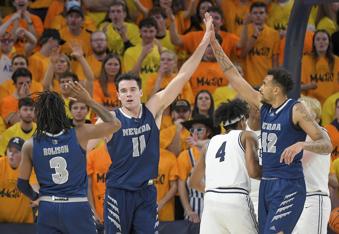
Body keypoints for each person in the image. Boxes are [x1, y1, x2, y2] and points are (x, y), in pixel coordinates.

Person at [210, 26, 333, 233]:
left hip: (288, 186)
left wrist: (302, 143)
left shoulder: (296, 109)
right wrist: (214, 44)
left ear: (276, 90)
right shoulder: (264, 107)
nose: (260, 87)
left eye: (265, 84)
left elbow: (327, 144)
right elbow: (234, 76)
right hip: (267, 184)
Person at [102, 13, 214, 233]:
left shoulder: (153, 107)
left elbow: (182, 76)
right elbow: (82, 144)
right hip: (118, 191)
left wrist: (204, 40)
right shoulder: (111, 118)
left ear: (141, 92)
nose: (129, 94)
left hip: (145, 192)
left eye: (133, 89)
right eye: (123, 91)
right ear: (118, 96)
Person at [17, 82, 121, 234]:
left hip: (48, 208)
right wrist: (89, 101)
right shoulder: (80, 133)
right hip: (76, 207)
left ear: (37, 115)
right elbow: (115, 124)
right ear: (63, 111)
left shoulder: (30, 145)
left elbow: (21, 184)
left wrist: (38, 197)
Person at [189, 99, 260, 233]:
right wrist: (277, 173)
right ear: (242, 121)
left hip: (211, 201)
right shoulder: (247, 136)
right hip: (236, 199)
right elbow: (254, 172)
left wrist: (216, 191)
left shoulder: (208, 144)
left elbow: (193, 182)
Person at [293, 96, 332, 234]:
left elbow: (298, 161)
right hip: (297, 198)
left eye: (303, 110)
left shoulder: (321, 135)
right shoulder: (298, 137)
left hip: (314, 197)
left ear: (315, 117)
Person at [177, 114, 219, 232]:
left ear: (209, 132)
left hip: (216, 207)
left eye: (199, 129)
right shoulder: (185, 155)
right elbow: (181, 186)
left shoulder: (216, 150)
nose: (195, 133)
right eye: (192, 130)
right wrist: (188, 210)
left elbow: (217, 141)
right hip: (195, 208)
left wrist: (200, 143)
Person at [0, 137, 38, 223]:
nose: (11, 154)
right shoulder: (1, 164)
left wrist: (38, 197)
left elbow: (34, 185)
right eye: (10, 150)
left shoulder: (29, 167)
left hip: (24, 224)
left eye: (16, 152)